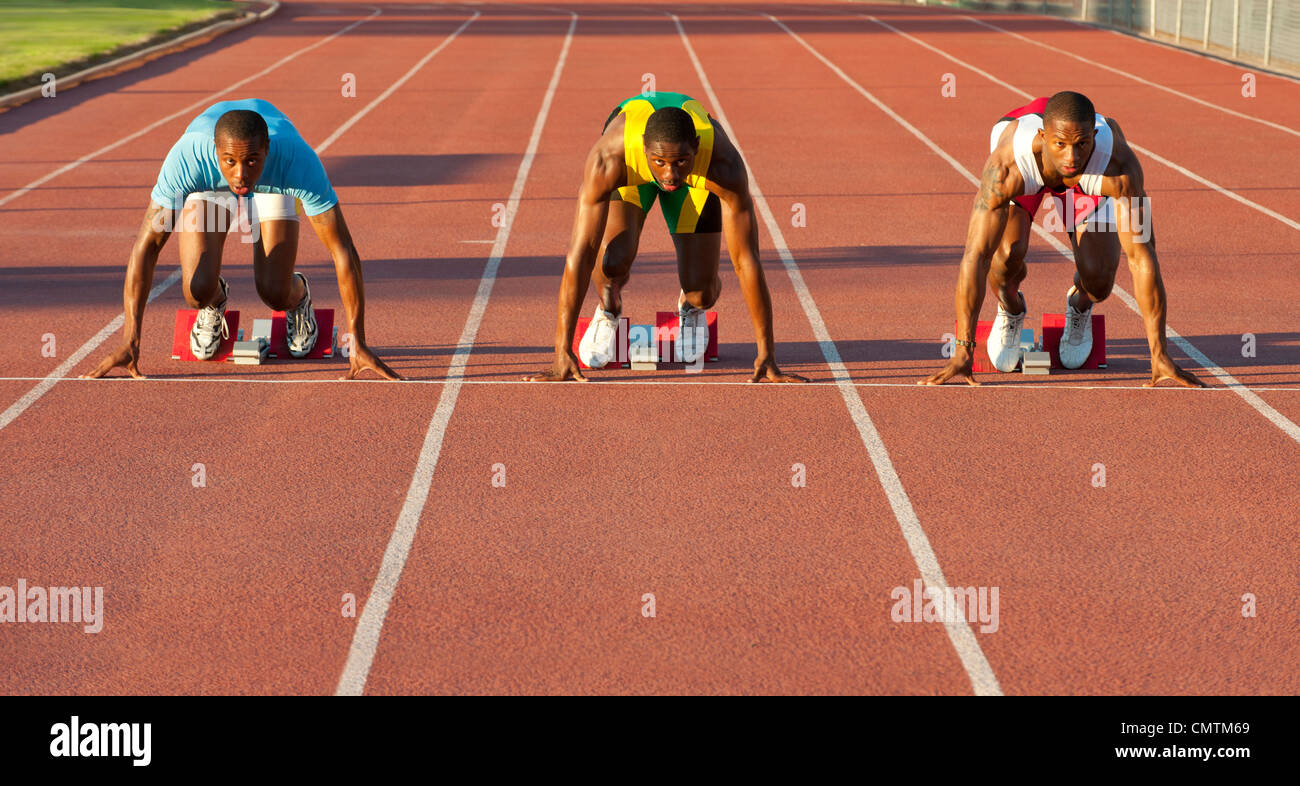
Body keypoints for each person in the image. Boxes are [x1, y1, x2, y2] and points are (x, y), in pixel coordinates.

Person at [82, 98, 399, 380]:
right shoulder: (187, 162)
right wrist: (130, 340)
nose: (240, 175)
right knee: (196, 292)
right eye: (230, 161)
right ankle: (214, 302)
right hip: (208, 186)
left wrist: (358, 340)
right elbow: (147, 245)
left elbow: (342, 248)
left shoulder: (296, 162)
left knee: (274, 292)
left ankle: (298, 297)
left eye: (251, 161)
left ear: (267, 152)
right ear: (216, 152)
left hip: (274, 184)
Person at [920, 91, 1204, 388]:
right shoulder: (1006, 168)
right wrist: (963, 350)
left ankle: (1079, 304)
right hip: (1031, 169)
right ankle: (1011, 308)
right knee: (1004, 257)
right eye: (1061, 145)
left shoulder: (1119, 168)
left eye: (1082, 144)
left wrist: (1159, 354)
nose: (1072, 157)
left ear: (1094, 136)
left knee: (1099, 279)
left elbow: (1142, 257)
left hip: (1092, 179)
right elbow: (975, 257)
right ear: (1043, 137)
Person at [525, 91, 806, 383]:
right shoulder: (609, 159)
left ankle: (691, 305)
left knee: (702, 291)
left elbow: (746, 260)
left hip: (695, 182)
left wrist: (767, 353)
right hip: (632, 173)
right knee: (611, 261)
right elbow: (580, 254)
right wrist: (561, 352)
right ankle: (608, 309)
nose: (670, 175)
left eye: (680, 161)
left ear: (696, 147)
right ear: (644, 147)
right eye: (660, 162)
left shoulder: (722, 163)